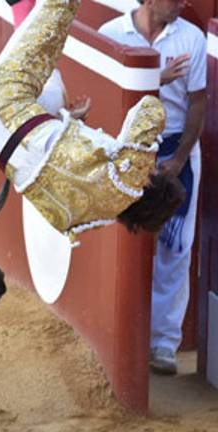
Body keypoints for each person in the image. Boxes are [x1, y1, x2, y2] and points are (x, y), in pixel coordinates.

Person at [0, 0, 184, 245]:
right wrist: (68, 122)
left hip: (3, 96)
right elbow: (46, 162)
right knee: (55, 92)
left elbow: (150, 110)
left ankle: (22, 3)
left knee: (60, 5)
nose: (152, 167)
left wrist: (144, 159)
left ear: (148, 182)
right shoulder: (84, 218)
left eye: (154, 171)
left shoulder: (129, 175)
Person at [99, 0, 207, 375]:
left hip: (176, 147)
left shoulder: (191, 38)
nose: (182, 3)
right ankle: (114, 334)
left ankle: (163, 343)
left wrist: (177, 162)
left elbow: (197, 104)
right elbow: (108, 97)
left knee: (175, 247)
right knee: (118, 241)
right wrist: (154, 79)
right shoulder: (112, 35)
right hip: (126, 149)